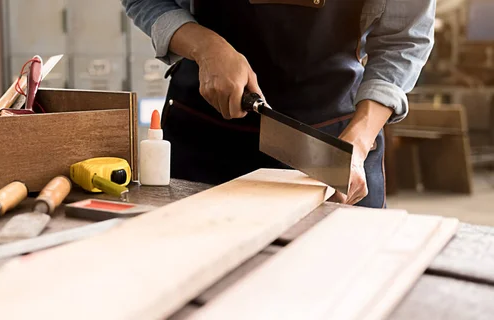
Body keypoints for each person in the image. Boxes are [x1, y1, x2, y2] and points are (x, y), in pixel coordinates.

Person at [121, 0, 435, 208]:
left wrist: (359, 140)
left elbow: (404, 39)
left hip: (332, 140)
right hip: (203, 136)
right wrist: (205, 46)